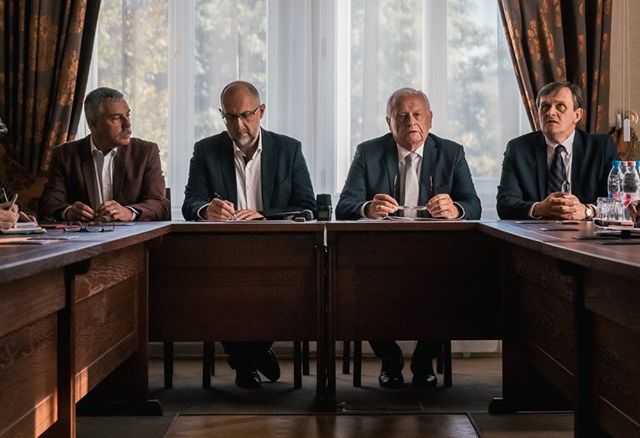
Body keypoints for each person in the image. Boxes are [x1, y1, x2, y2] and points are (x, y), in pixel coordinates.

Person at [336, 87, 481, 388]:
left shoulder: (451, 152)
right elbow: (345, 206)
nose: (411, 122)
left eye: (417, 115)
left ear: (430, 119)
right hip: (381, 253)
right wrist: (368, 208)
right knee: (359, 286)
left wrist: (455, 209)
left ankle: (424, 359)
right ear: (388, 122)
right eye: (401, 116)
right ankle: (389, 359)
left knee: (453, 285)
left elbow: (473, 205)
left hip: (435, 252)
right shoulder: (368, 152)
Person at [182, 80, 315, 389]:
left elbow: (307, 208)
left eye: (245, 115)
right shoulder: (206, 150)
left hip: (277, 252)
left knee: (282, 288)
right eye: (230, 117)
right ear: (222, 115)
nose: (238, 124)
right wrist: (206, 210)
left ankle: (247, 357)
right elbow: (191, 203)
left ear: (261, 112)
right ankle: (251, 356)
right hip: (224, 253)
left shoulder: (289, 149)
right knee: (220, 289)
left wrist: (264, 215)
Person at [38, 87, 169, 222]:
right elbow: (48, 204)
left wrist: (129, 213)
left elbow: (160, 205)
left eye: (128, 115)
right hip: (84, 235)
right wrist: (68, 212)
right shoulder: (65, 155)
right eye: (116, 118)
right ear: (93, 124)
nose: (127, 124)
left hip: (132, 235)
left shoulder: (146, 152)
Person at [497, 81, 618, 220]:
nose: (550, 112)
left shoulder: (601, 147)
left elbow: (619, 202)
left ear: (577, 115)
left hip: (586, 230)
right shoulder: (518, 149)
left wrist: (587, 211)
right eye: (545, 107)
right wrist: (540, 208)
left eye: (560, 106)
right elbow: (505, 205)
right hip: (535, 231)